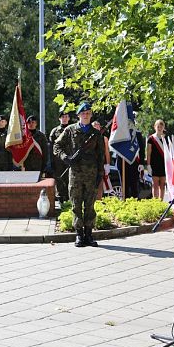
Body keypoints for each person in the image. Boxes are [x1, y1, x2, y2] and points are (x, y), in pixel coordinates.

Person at [54, 102, 104, 247]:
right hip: (75, 173)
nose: (86, 115)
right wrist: (65, 158)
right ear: (78, 115)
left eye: (88, 113)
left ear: (91, 115)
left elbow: (100, 154)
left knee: (90, 205)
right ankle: (79, 235)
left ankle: (89, 234)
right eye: (83, 113)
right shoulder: (70, 130)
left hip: (91, 173)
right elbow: (57, 145)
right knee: (76, 204)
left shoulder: (96, 134)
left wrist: (100, 173)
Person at [49, 110, 71, 202]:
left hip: (70, 159)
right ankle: (61, 200)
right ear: (59, 118)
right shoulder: (54, 131)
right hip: (58, 161)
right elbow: (51, 147)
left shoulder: (72, 129)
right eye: (63, 117)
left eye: (66, 117)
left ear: (69, 118)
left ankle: (70, 201)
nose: (64, 119)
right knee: (59, 180)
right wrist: (51, 162)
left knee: (70, 180)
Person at [146, 119, 166, 199]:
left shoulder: (166, 138)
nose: (159, 128)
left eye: (161, 126)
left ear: (163, 127)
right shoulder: (151, 138)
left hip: (163, 165)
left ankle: (161, 204)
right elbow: (148, 153)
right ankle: (156, 203)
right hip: (154, 164)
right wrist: (148, 165)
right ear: (155, 127)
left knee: (163, 186)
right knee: (155, 185)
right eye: (158, 126)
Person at [92, 120, 110, 200]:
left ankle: (99, 201)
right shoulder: (88, 138)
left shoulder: (104, 138)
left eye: (98, 126)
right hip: (91, 165)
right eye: (95, 126)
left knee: (100, 184)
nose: (97, 127)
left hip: (101, 164)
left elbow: (107, 152)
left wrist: (108, 164)